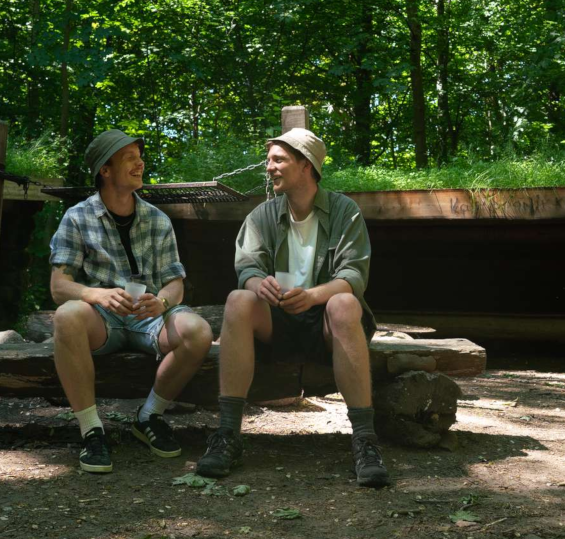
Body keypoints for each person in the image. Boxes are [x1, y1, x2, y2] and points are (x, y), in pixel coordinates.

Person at [194, 128, 389, 488]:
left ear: (306, 165)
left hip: (327, 322)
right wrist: (258, 284)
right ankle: (226, 435)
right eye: (270, 160)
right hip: (278, 320)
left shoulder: (344, 211)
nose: (269, 168)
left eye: (278, 160)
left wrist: (314, 296)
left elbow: (353, 275)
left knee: (346, 302)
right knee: (238, 298)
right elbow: (248, 268)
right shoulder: (263, 216)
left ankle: (365, 441)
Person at [49, 129, 214, 474]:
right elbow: (59, 286)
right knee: (66, 316)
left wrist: (163, 303)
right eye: (129, 158)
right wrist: (96, 294)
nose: (140, 163)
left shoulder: (158, 219)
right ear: (105, 171)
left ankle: (149, 416)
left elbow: (174, 283)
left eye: (139, 156)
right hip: (101, 319)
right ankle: (92, 430)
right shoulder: (76, 218)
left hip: (149, 318)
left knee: (198, 331)